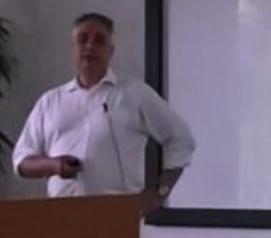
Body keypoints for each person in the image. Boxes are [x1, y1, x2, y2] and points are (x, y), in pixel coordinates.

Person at [13, 13, 194, 208]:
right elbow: (22, 162)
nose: (90, 46)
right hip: (60, 214)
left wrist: (160, 192)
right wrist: (54, 165)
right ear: (72, 49)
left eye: (99, 41)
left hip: (117, 213)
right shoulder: (50, 101)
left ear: (111, 51)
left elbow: (181, 140)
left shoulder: (135, 94)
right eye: (83, 39)